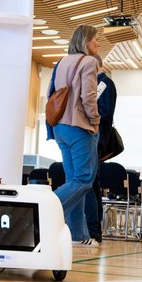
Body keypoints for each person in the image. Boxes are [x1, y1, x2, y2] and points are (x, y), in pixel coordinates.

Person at [47, 24, 101, 247]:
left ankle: (78, 236)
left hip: (60, 127)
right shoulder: (89, 62)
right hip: (79, 126)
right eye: (96, 39)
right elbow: (89, 97)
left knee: (74, 180)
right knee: (84, 179)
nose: (98, 44)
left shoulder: (61, 62)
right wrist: (96, 120)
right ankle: (47, 208)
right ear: (86, 40)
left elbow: (51, 93)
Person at [85, 56, 117, 243]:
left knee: (89, 185)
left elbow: (103, 114)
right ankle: (94, 230)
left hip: (95, 139)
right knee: (92, 185)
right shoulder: (97, 83)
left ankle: (92, 231)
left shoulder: (104, 84)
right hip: (93, 139)